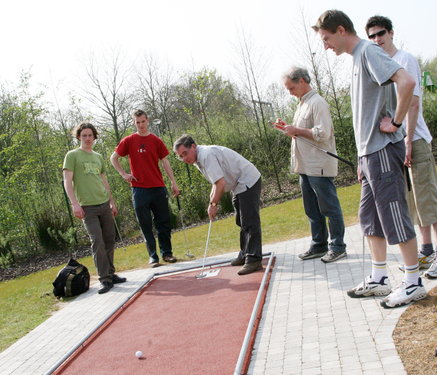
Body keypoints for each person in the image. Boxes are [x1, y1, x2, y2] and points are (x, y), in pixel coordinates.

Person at [312, 10, 427, 308]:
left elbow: (407, 83)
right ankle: (379, 278)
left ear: (340, 30)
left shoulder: (368, 52)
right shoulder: (356, 59)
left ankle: (413, 281)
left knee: (393, 215)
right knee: (370, 218)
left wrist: (398, 124)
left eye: (326, 39)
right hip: (368, 154)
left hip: (382, 151)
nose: (325, 46)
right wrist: (362, 156)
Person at [365, 15, 437, 279]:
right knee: (413, 202)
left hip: (413, 140)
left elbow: (412, 103)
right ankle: (425, 251)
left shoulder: (405, 60)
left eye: (380, 34)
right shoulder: (382, 66)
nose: (377, 40)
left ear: (391, 33)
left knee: (429, 199)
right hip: (396, 144)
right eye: (372, 36)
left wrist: (408, 141)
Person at [276, 66, 347, 263]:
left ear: (302, 81)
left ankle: (338, 246)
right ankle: (319, 245)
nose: (290, 92)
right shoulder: (302, 104)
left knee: (329, 207)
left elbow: (323, 133)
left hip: (319, 164)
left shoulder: (318, 103)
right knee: (311, 208)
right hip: (304, 165)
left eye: (291, 88)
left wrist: (296, 130)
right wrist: (289, 129)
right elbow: (302, 131)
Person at [173, 134, 263, 275]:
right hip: (238, 184)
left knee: (250, 222)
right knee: (241, 220)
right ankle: (245, 253)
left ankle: (254, 260)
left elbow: (220, 183)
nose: (184, 158)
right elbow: (215, 183)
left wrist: (214, 204)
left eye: (185, 153)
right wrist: (211, 202)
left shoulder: (206, 155)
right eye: (180, 156)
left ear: (193, 146)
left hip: (248, 180)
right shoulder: (198, 160)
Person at [63, 122, 127, 295]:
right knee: (97, 241)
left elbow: (104, 180)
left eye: (90, 135)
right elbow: (67, 181)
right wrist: (74, 204)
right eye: (84, 135)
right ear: (78, 137)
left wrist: (112, 201)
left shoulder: (98, 157)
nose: (87, 138)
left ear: (94, 136)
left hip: (104, 203)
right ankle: (104, 279)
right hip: (87, 207)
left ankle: (111, 274)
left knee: (109, 239)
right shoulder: (72, 155)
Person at [110, 110, 179, 268]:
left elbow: (165, 162)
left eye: (143, 121)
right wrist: (123, 174)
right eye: (137, 122)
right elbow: (113, 158)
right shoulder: (129, 140)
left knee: (163, 222)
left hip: (158, 187)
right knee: (145, 223)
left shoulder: (156, 140)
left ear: (148, 121)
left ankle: (167, 253)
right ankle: (153, 257)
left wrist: (173, 182)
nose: (140, 125)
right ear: (134, 123)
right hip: (139, 189)